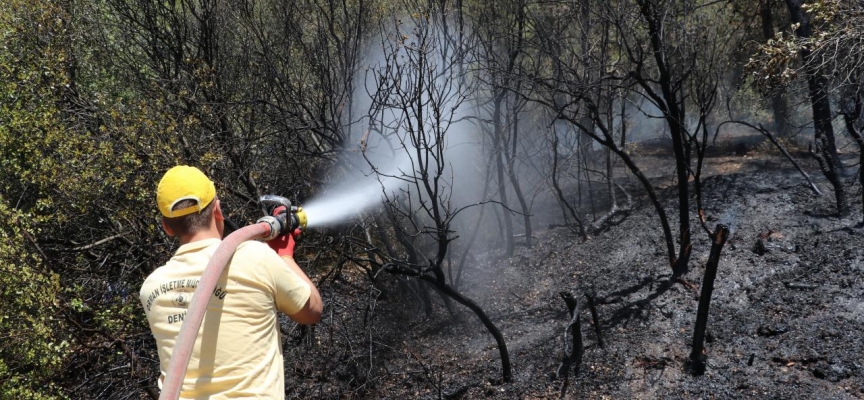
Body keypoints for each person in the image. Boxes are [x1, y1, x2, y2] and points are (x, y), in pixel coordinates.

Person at [139, 165, 322, 399]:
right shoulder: (254, 257)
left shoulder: (151, 287)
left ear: (166, 227)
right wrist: (284, 255)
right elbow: (311, 311)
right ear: (218, 210)